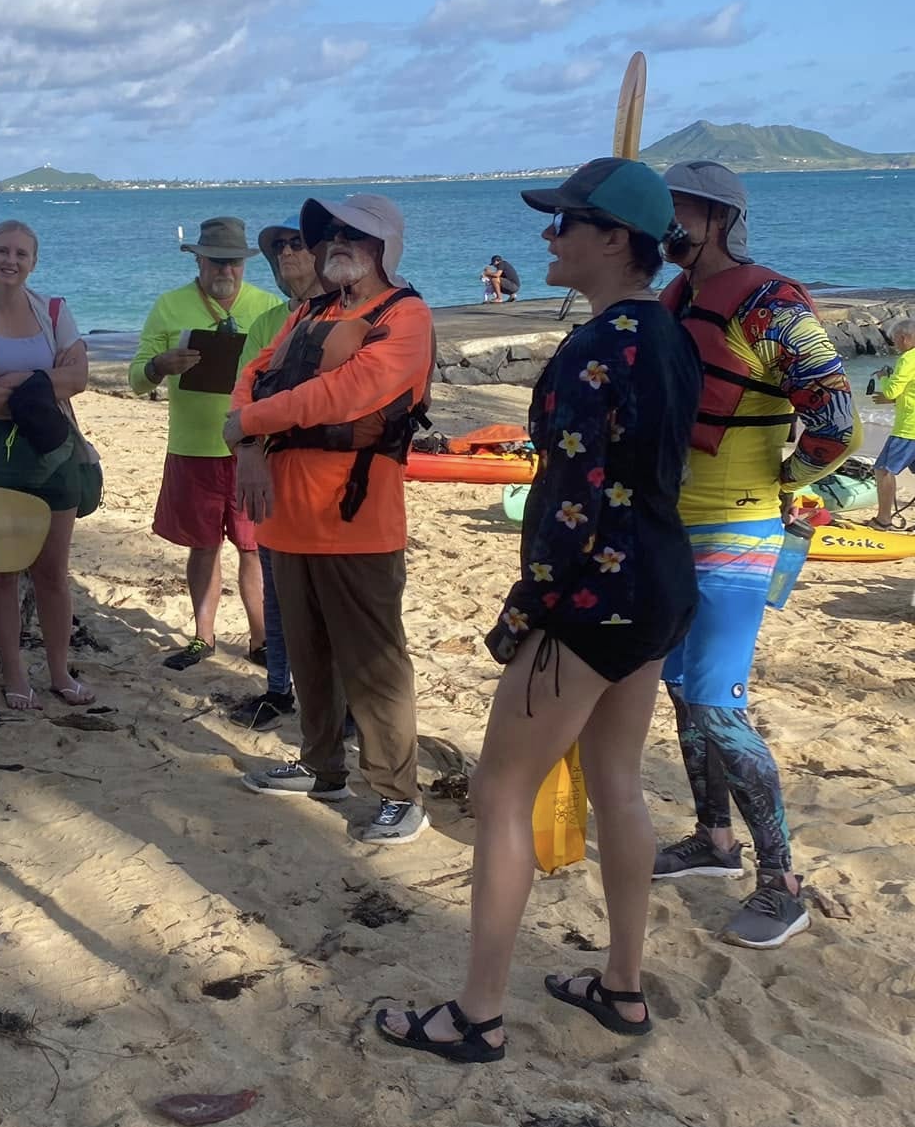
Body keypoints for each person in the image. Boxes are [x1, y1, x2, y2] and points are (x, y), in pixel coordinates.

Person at [377, 159, 700, 1062]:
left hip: (594, 595)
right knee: (619, 784)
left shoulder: (594, 350)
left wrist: (532, 609)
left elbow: (570, 500)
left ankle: (478, 1012)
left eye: (564, 223)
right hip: (658, 585)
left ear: (613, 239)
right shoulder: (668, 334)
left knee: (502, 790)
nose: (547, 237)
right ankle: (623, 985)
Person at [653, 161, 859, 948]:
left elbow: (837, 416)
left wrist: (790, 478)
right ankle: (713, 841)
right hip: (673, 531)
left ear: (718, 219)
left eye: (677, 212)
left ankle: (782, 884)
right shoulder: (677, 299)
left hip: (738, 534)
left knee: (715, 703)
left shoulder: (770, 305)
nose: (664, 226)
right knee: (680, 692)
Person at [228, 194, 435, 841]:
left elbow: (348, 392)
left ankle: (399, 794)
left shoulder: (405, 316)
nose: (337, 242)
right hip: (286, 518)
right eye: (334, 233)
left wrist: (252, 424)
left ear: (385, 247)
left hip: (357, 522)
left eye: (355, 234)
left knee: (373, 663)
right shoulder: (309, 312)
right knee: (310, 658)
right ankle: (322, 766)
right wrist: (249, 447)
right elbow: (252, 377)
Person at [0, 219, 94, 710]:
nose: (11, 261)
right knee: (1, 573)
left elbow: (79, 379)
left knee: (52, 571)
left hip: (54, 450)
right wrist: (39, 386)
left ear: (34, 262)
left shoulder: (55, 310)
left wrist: (19, 379)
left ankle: (59, 673)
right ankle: (14, 676)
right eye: (2, 251)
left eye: (21, 254)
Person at [129, 218, 281, 670]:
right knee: (203, 546)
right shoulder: (169, 306)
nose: (225, 271)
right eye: (216, 261)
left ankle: (261, 639)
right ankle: (203, 636)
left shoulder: (269, 307)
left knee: (255, 547)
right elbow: (136, 378)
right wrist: (159, 364)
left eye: (233, 262)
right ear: (198, 260)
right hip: (193, 448)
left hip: (252, 450)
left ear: (244, 264)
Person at [232, 222, 325, 730]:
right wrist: (249, 449)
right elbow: (244, 392)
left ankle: (337, 703)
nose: (288, 252)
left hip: (325, 482)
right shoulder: (274, 323)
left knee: (323, 598)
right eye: (280, 248)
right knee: (275, 587)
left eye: (297, 243)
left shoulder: (345, 315)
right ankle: (277, 688)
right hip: (270, 473)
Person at [869, 318, 915, 527]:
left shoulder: (907, 359)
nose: (894, 344)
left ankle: (884, 519)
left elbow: (890, 391)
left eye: (895, 339)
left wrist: (884, 378)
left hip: (908, 428)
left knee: (883, 470)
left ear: (904, 338)